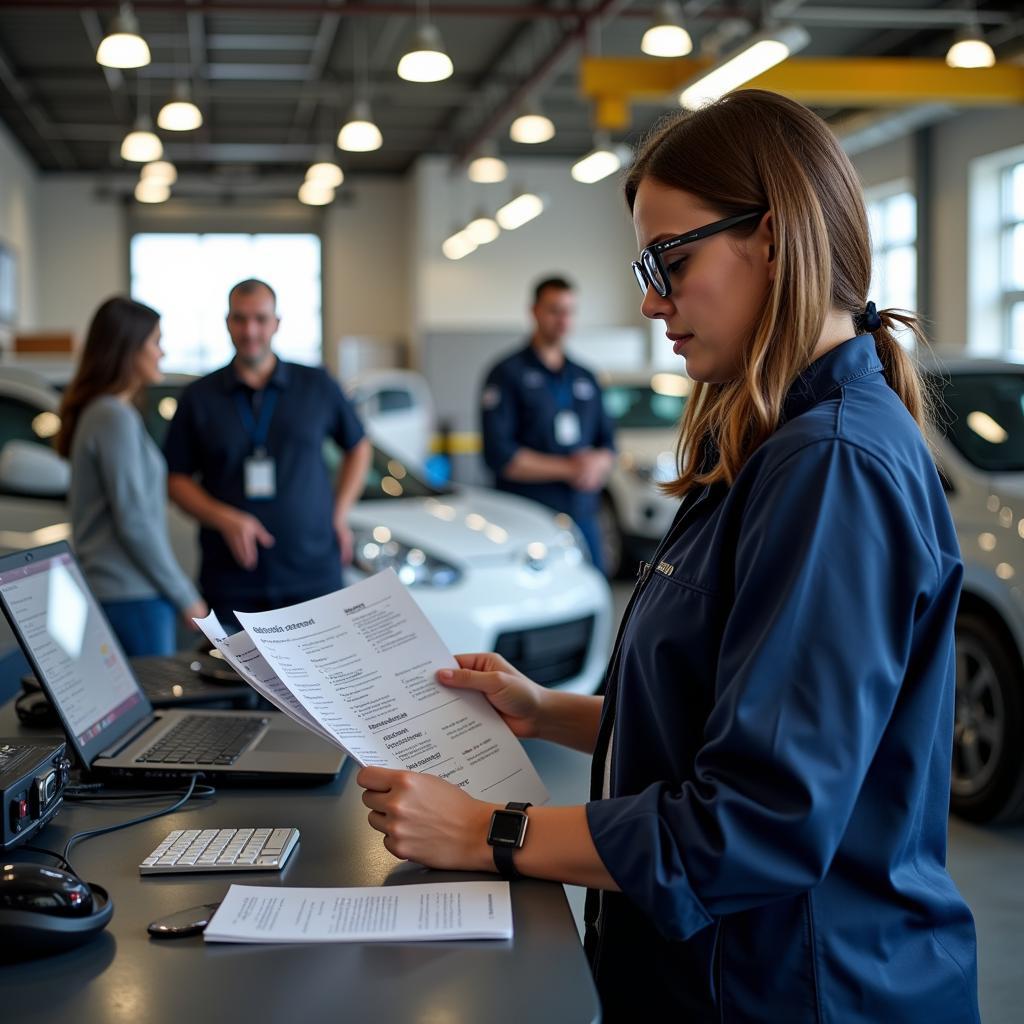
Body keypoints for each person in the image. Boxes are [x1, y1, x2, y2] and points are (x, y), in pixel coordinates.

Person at [355, 90, 981, 1023]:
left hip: (797, 988)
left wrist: (492, 832)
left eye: (669, 261)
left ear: (772, 238)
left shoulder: (832, 469)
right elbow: (726, 714)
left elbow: (755, 823)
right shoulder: (778, 444)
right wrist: (545, 710)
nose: (650, 300)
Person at [164, 279, 371, 630]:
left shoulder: (316, 385)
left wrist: (339, 514)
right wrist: (224, 518)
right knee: (236, 684)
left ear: (277, 323)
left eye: (260, 319)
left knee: (318, 682)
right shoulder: (199, 397)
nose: (250, 331)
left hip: (313, 574)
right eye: (240, 319)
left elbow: (359, 446)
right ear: (227, 323)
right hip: (232, 580)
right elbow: (175, 479)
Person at [56, 297, 207, 656]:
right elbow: (135, 522)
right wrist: (185, 596)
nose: (162, 352)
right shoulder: (112, 417)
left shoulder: (108, 412)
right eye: (155, 341)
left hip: (124, 592)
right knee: (155, 710)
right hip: (131, 596)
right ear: (128, 348)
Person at [480, 277, 616, 572]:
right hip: (527, 517)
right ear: (535, 312)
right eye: (554, 310)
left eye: (569, 311)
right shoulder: (506, 374)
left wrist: (598, 465)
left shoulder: (585, 376)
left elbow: (608, 444)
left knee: (593, 589)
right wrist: (570, 469)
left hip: (582, 515)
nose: (563, 319)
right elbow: (500, 457)